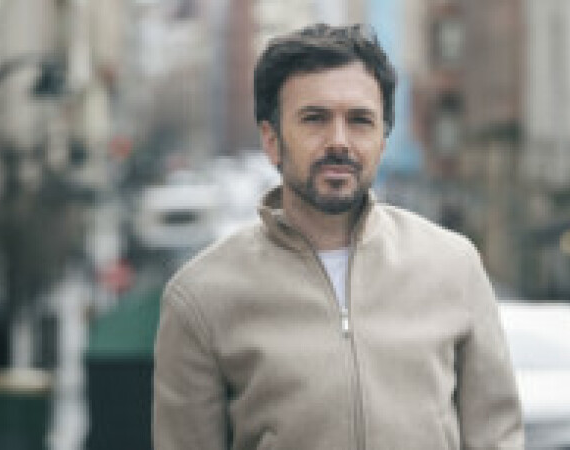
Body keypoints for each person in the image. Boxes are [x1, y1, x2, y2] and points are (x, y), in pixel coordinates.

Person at [153, 23, 524, 450]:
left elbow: (497, 438)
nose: (339, 141)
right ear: (272, 141)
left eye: (360, 121)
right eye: (315, 119)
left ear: (382, 141)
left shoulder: (454, 266)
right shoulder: (201, 297)